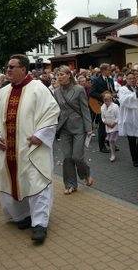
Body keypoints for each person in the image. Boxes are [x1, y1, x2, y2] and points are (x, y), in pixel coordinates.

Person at [0, 54, 60, 244]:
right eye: (7, 67)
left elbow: (52, 112)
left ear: (23, 69)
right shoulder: (4, 91)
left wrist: (40, 135)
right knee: (13, 181)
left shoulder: (38, 88)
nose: (7, 70)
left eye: (11, 67)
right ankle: (24, 215)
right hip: (9, 150)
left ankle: (40, 223)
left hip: (32, 148)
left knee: (36, 183)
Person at [53, 65, 94, 195]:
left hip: (79, 127)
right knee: (67, 157)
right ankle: (70, 184)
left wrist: (89, 128)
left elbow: (85, 109)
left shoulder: (79, 89)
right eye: (58, 75)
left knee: (77, 157)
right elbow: (55, 111)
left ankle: (86, 174)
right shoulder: (56, 92)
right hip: (64, 128)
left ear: (69, 75)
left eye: (62, 74)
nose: (59, 77)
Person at [118, 71, 138, 167]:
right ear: (126, 80)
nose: (132, 80)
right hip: (130, 118)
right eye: (130, 78)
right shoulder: (123, 89)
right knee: (132, 140)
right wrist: (135, 94)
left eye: (133, 78)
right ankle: (134, 159)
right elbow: (124, 101)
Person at [90, 63, 117, 153]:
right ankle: (102, 146)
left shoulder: (110, 80)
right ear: (103, 70)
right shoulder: (97, 80)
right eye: (108, 69)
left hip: (110, 105)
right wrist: (103, 96)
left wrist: (114, 94)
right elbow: (92, 93)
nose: (110, 71)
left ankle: (111, 143)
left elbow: (112, 91)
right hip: (100, 104)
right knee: (102, 126)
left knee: (112, 124)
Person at [101, 91, 120, 162]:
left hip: (114, 126)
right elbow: (102, 117)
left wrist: (114, 123)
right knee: (111, 141)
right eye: (105, 99)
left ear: (111, 99)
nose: (107, 101)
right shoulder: (102, 107)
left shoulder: (115, 106)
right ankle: (113, 150)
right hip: (108, 126)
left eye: (109, 99)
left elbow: (118, 117)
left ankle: (113, 154)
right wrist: (106, 123)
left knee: (111, 140)